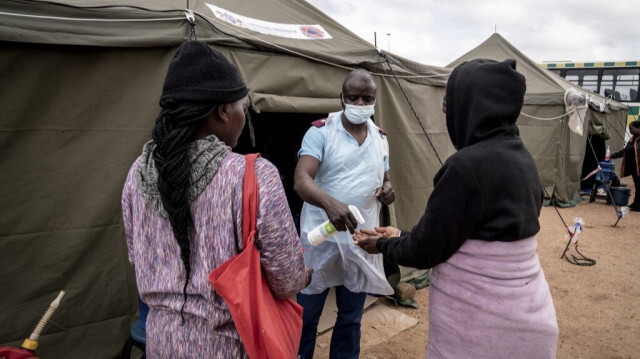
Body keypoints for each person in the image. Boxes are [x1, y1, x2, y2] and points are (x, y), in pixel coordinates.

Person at [354, 59, 558, 358]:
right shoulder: (523, 158)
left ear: (473, 105)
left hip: (481, 328)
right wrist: (401, 234)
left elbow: (426, 250)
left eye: (448, 103)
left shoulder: (465, 167)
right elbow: (470, 233)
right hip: (527, 314)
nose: (445, 111)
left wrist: (383, 244)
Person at [121, 40, 309, 358]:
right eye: (242, 108)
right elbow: (287, 279)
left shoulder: (138, 173)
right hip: (230, 347)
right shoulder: (253, 175)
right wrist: (304, 274)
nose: (242, 117)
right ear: (223, 111)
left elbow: (137, 259)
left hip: (159, 344)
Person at [293, 69, 396, 359]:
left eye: (367, 99)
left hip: (361, 239)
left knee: (351, 317)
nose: (360, 104)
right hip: (320, 239)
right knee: (306, 316)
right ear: (341, 97)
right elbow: (302, 179)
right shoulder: (321, 132)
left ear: (375, 101)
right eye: (353, 98)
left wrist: (388, 190)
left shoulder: (380, 137)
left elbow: (385, 178)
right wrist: (329, 203)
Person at [611, 120, 640, 211]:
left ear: (638, 128)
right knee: (638, 186)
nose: (630, 131)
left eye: (632, 129)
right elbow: (626, 151)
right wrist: (613, 155)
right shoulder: (633, 140)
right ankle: (636, 203)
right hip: (635, 168)